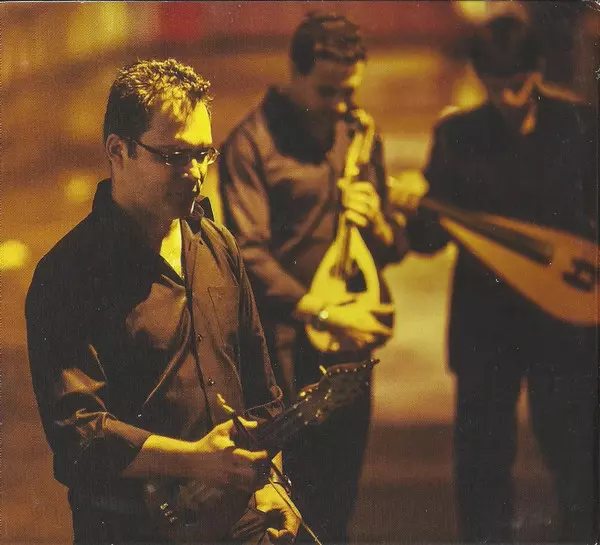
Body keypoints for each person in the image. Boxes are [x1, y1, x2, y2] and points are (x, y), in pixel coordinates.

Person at [25, 58, 300, 544]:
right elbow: (79, 434)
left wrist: (272, 483)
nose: (194, 173)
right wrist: (196, 461)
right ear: (118, 150)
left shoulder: (218, 245)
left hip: (240, 525)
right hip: (132, 529)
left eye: (203, 153)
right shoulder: (67, 274)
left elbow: (262, 393)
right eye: (173, 156)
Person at [390, 13, 598, 543]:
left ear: (538, 70)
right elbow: (432, 240)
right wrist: (416, 208)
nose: (508, 97)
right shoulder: (457, 135)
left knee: (577, 455)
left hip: (565, 320)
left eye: (518, 84)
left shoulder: (580, 127)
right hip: (486, 325)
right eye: (495, 85)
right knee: (482, 461)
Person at [219, 12, 408, 543]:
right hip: (284, 350)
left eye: (350, 91)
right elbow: (247, 253)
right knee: (292, 502)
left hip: (348, 346)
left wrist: (377, 222)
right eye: (328, 91)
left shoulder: (359, 132)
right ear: (295, 73)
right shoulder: (251, 143)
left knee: (340, 500)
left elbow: (393, 246)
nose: (342, 105)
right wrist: (320, 310)